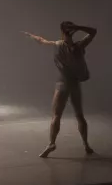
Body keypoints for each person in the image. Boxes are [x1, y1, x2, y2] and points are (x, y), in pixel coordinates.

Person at [22, 21, 97, 157]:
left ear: (62, 32)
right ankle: (86, 145)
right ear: (72, 32)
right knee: (79, 115)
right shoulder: (79, 46)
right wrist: (78, 27)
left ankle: (52, 143)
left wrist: (30, 36)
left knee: (56, 115)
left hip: (62, 83)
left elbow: (41, 41)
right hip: (74, 83)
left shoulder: (57, 45)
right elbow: (93, 31)